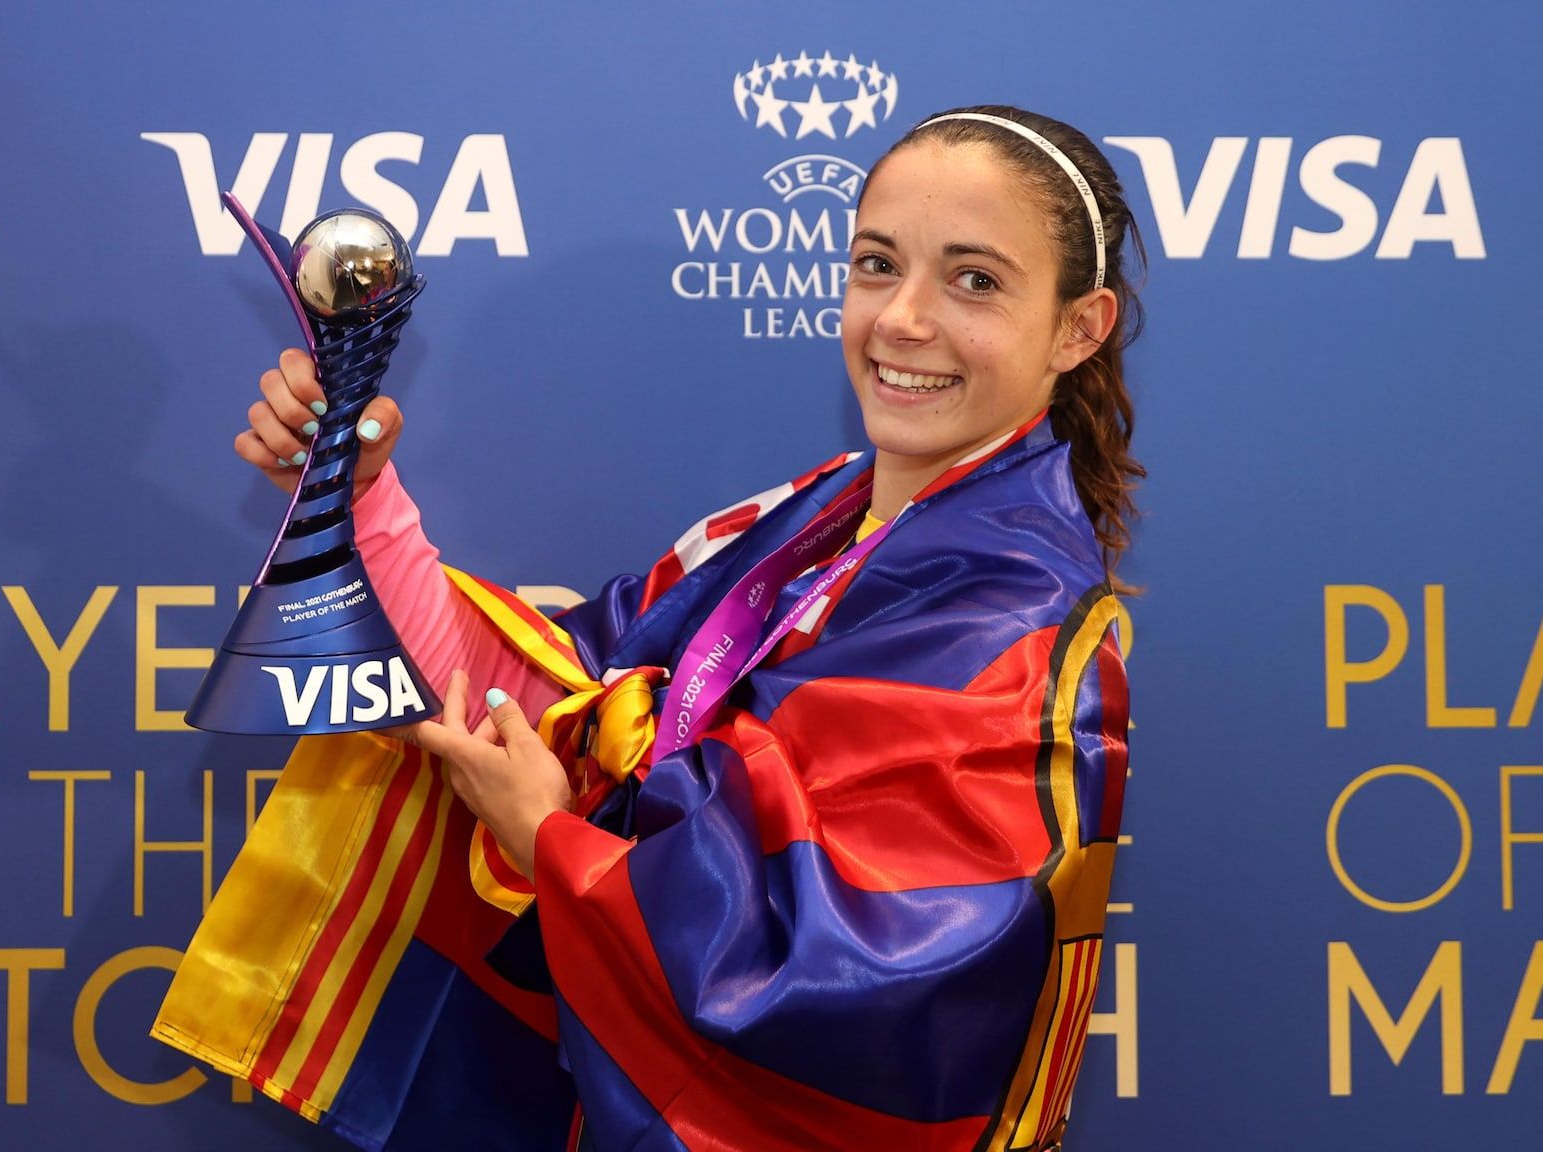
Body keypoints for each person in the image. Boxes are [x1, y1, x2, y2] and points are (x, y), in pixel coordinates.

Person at [155, 105, 1142, 1152]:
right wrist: (357, 497)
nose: (901, 319)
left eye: (973, 280)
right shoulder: (803, 523)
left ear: (1078, 328)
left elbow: (861, 993)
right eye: (875, 263)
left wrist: (551, 841)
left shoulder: (1020, 628)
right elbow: (541, 698)